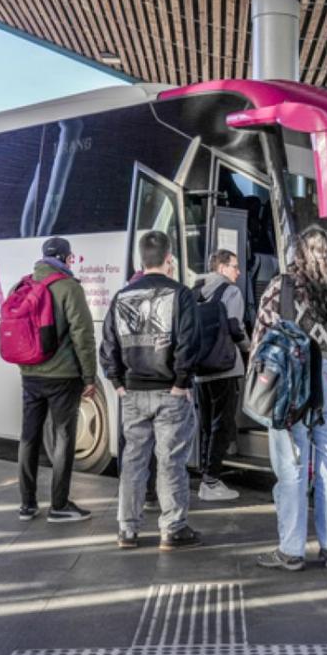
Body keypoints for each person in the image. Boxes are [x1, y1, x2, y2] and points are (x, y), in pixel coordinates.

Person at [254, 227, 327, 572]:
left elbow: (263, 336)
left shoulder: (283, 287)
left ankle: (291, 550)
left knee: (292, 466)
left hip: (293, 381)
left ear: (298, 253)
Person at [101, 230, 201, 551]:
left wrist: (117, 382)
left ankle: (127, 530)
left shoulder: (122, 296)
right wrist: (181, 383)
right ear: (169, 259)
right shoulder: (181, 295)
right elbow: (190, 343)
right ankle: (172, 528)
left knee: (133, 460)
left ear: (142, 261)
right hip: (169, 392)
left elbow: (108, 345)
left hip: (131, 392)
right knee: (170, 460)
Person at [15, 237, 98, 524]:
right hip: (63, 377)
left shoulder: (23, 284)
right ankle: (59, 505)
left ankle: (26, 504)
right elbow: (83, 335)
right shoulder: (68, 287)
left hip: (30, 374)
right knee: (63, 439)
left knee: (29, 437)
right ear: (66, 258)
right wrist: (90, 376)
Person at [194, 249, 249, 502]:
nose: (238, 272)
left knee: (206, 424)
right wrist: (249, 348)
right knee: (223, 424)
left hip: (201, 370)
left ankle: (205, 474)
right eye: (235, 266)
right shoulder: (230, 291)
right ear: (222, 268)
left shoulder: (195, 290)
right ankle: (212, 480)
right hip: (225, 367)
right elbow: (235, 327)